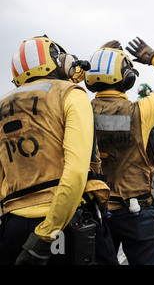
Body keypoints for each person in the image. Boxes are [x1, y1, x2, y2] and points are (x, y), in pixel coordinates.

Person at [0, 35, 116, 265]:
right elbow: (74, 173)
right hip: (64, 222)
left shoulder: (3, 104)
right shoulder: (70, 93)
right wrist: (46, 234)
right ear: (53, 61)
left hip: (12, 225)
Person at [84, 37, 154, 265]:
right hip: (136, 211)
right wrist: (153, 58)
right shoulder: (141, 111)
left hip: (96, 211)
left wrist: (100, 58)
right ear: (128, 79)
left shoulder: (79, 110)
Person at [137, 83, 154, 183]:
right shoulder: (146, 101)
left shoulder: (137, 100)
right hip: (148, 130)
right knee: (153, 152)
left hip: (139, 130)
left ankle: (142, 175)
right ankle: (151, 175)